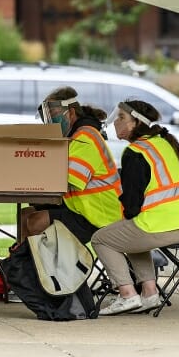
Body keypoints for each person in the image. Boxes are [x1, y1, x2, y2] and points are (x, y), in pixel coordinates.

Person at [92, 100, 179, 316]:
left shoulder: (136, 152)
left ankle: (127, 294)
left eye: (122, 118)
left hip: (165, 225)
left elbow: (132, 207)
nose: (116, 122)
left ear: (135, 123)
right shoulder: (166, 144)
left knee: (102, 238)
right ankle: (149, 292)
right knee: (128, 232)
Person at [19, 86, 123, 244]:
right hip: (81, 208)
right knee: (25, 215)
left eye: (54, 116)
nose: (51, 122)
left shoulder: (85, 137)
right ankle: (22, 263)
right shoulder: (74, 136)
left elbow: (67, 181)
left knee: (35, 221)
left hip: (99, 214)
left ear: (72, 113)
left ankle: (38, 266)